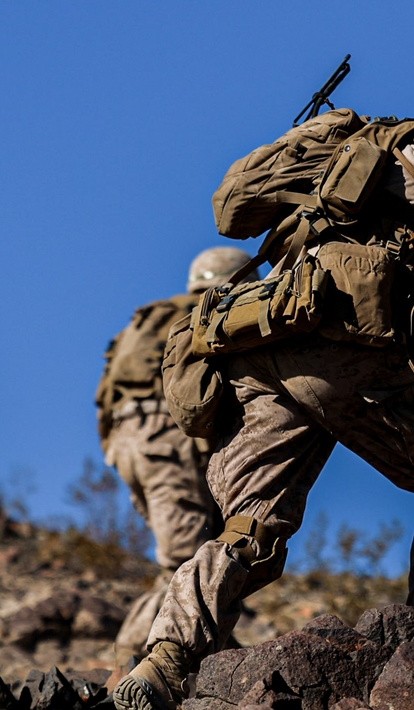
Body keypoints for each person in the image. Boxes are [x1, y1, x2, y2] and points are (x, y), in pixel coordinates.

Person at [113, 73, 414, 710]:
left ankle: (165, 661)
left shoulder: (374, 161)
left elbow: (407, 357)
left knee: (251, 528)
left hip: (266, 348)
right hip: (346, 359)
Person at [97, 246, 258, 686]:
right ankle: (128, 669)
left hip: (129, 445)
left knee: (181, 557)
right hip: (168, 442)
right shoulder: (214, 313)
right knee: (183, 562)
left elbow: (107, 399)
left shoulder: (151, 319)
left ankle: (166, 661)